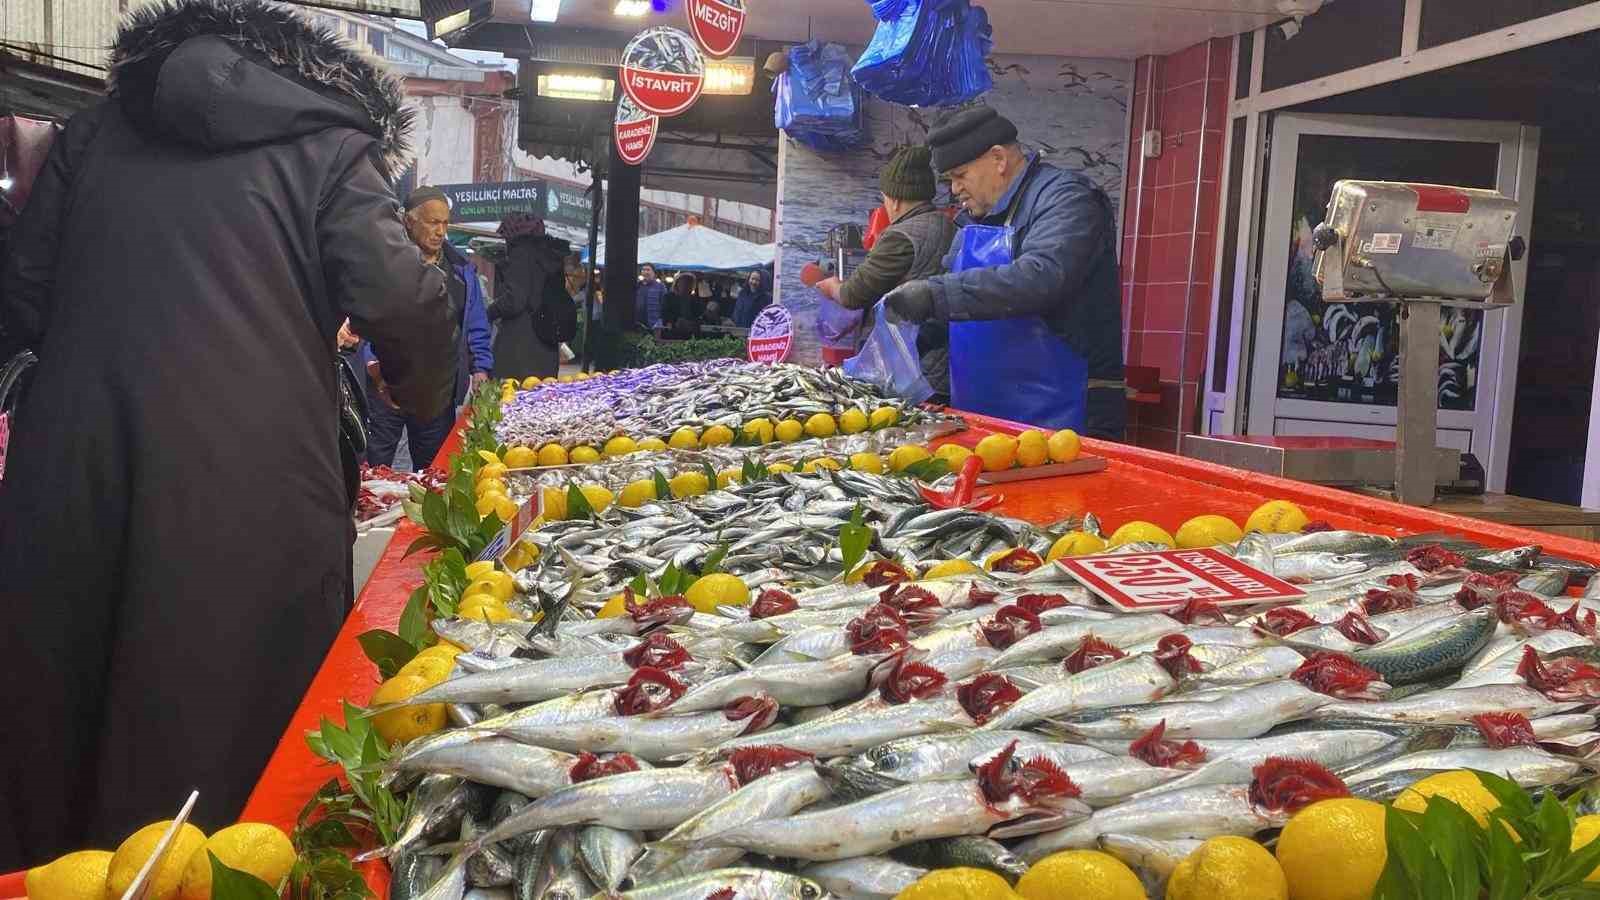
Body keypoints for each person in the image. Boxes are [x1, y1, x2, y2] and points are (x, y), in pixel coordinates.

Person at [0, 0, 456, 868]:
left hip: (72, 463)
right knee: (229, 737)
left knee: (55, 710)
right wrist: (419, 389)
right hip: (255, 478)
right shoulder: (334, 145)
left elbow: (25, 290)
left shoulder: (98, 129)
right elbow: (401, 300)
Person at [883, 107, 1125, 439]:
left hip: (1066, 415)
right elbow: (947, 313)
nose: (954, 189)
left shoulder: (1067, 199)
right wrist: (904, 339)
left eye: (960, 175)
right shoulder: (972, 220)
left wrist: (933, 295)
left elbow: (1041, 277)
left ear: (998, 158)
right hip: (987, 415)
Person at [362, 186, 492, 470]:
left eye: (445, 223)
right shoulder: (383, 265)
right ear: (409, 221)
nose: (440, 231)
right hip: (386, 385)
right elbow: (364, 319)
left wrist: (480, 369)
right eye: (433, 222)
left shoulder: (461, 272)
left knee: (433, 472)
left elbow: (475, 327)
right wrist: (371, 361)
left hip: (437, 390)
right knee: (373, 469)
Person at [816, 145, 957, 401]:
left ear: (894, 198)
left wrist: (830, 285)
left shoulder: (900, 236)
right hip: (944, 361)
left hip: (910, 369)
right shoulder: (949, 225)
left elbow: (852, 294)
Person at [487, 213, 570, 382]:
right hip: (546, 342)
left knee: (512, 399)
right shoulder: (550, 255)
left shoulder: (521, 253)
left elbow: (515, 300)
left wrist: (489, 311)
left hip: (519, 345)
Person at [662, 272, 701, 337]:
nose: (687, 285)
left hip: (690, 334)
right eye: (684, 282)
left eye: (689, 283)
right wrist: (675, 321)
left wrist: (691, 323)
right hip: (672, 333)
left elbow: (698, 315)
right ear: (677, 283)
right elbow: (664, 314)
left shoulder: (694, 299)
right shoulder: (668, 297)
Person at [635, 263, 667, 330]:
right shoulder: (637, 286)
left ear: (653, 272)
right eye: (643, 270)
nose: (645, 272)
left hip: (654, 323)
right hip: (639, 324)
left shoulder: (660, 287)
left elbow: (664, 306)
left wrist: (660, 322)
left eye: (648, 270)